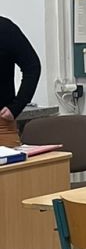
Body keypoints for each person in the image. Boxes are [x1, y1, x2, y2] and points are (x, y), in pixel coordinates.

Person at [0, 15, 41, 149]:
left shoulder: (4, 28)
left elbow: (32, 66)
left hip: (2, 125)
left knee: (11, 163)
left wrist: (16, 106)